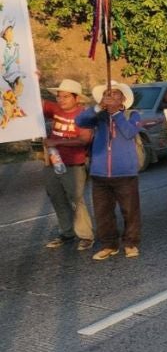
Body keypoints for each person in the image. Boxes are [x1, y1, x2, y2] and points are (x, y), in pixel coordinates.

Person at [76, 81, 142, 261]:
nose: (110, 97)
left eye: (115, 94)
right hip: (99, 172)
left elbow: (129, 133)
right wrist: (98, 108)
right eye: (107, 94)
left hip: (125, 172)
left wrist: (116, 114)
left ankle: (130, 242)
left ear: (123, 99)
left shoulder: (132, 115)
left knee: (130, 210)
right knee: (103, 212)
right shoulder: (99, 116)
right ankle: (109, 244)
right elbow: (80, 121)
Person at [42, 79, 94, 251]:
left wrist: (56, 142)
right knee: (56, 197)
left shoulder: (83, 115)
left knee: (76, 201)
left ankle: (86, 235)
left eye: (65, 96)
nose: (60, 100)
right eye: (59, 96)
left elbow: (84, 139)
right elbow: (36, 102)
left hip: (73, 164)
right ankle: (67, 232)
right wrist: (32, 80)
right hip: (52, 162)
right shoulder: (55, 109)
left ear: (76, 98)